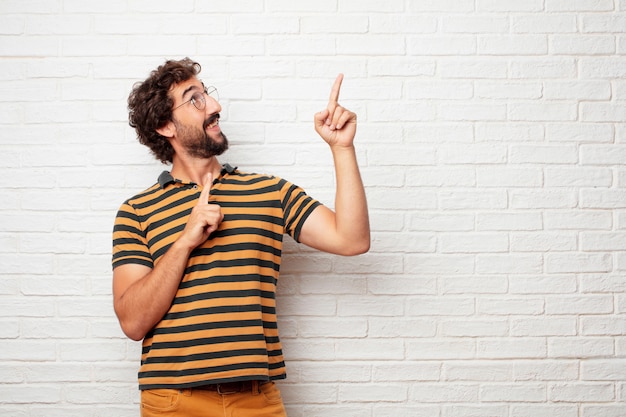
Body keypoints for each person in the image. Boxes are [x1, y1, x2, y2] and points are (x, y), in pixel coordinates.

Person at [111, 57, 370, 417]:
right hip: (172, 401)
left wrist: (342, 149)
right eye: (195, 99)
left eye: (208, 94)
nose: (215, 106)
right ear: (165, 125)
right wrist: (185, 240)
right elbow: (133, 322)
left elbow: (351, 239)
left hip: (256, 400)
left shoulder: (269, 192)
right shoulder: (136, 212)